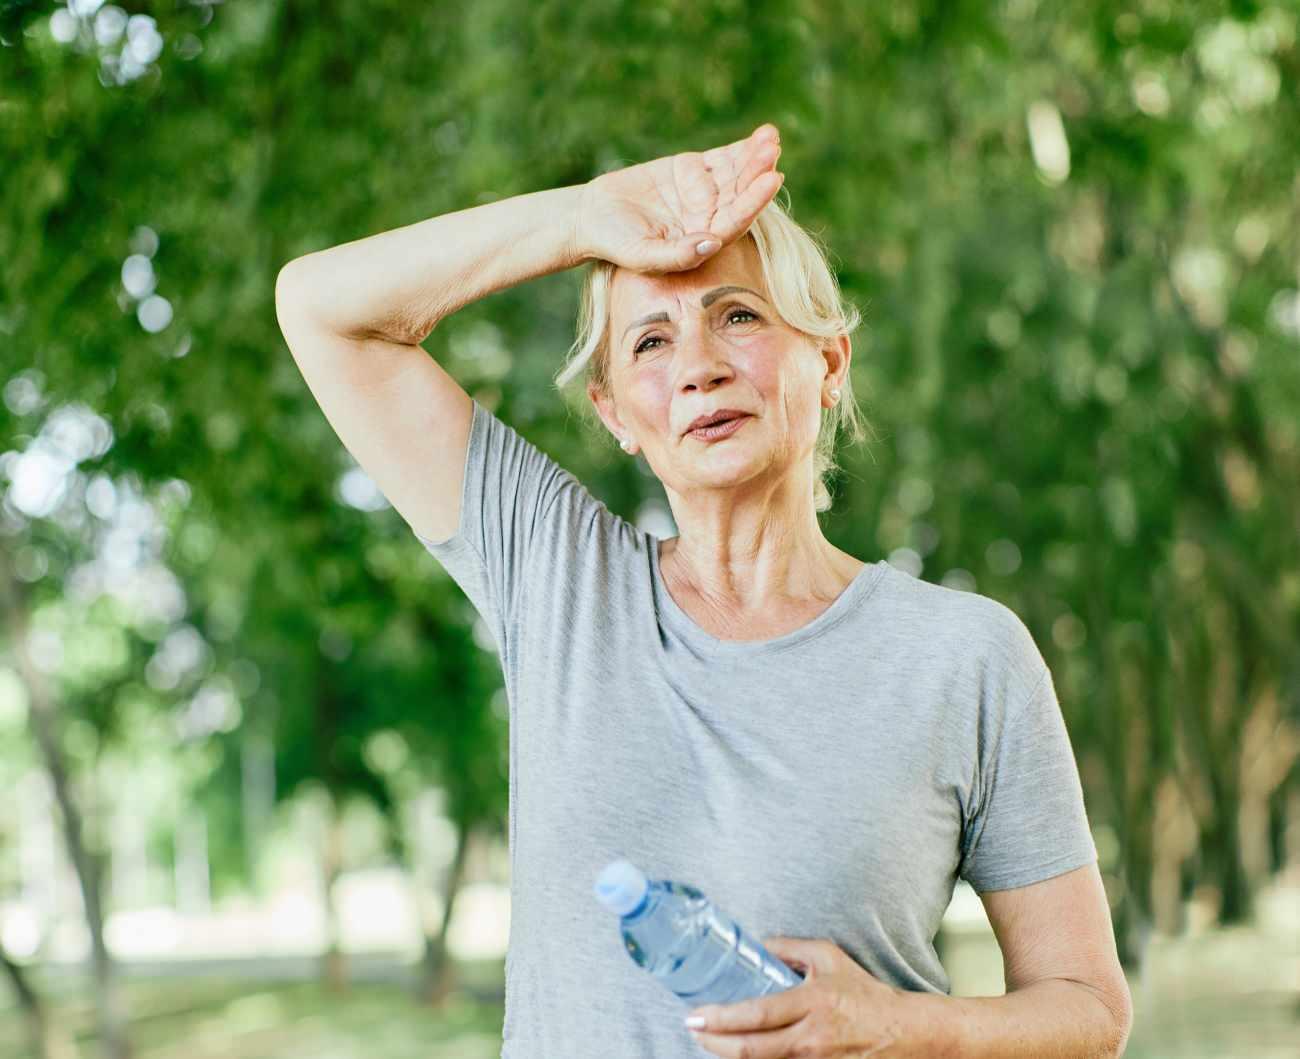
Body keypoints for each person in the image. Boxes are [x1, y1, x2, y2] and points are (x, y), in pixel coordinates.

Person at [275, 124, 1132, 1058]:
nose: (698, 366)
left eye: (739, 316)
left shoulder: (967, 657)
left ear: (829, 362)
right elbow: (321, 308)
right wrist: (587, 216)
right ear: (615, 415)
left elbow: (1089, 1008)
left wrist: (902, 1026)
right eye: (650, 340)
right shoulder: (557, 579)